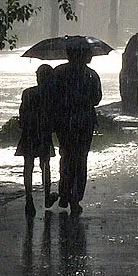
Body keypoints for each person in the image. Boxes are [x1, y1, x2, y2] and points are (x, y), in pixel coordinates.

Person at [48, 47, 102, 215]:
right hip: (85, 122)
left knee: (66, 157)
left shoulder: (58, 72)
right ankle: (75, 198)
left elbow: (51, 95)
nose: (91, 55)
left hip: (64, 121)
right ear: (81, 55)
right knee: (81, 159)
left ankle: (64, 193)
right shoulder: (91, 74)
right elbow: (97, 99)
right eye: (89, 52)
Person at [15, 63, 59, 216]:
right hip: (44, 133)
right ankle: (47, 197)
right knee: (45, 165)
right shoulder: (53, 95)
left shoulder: (27, 93)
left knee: (28, 166)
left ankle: (29, 199)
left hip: (29, 133)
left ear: (38, 77)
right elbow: (54, 117)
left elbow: (22, 116)